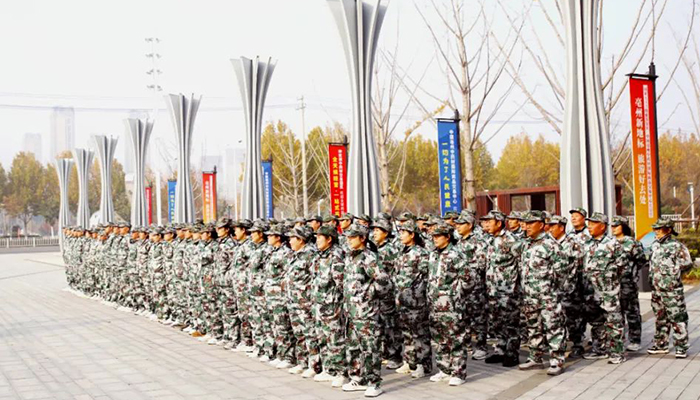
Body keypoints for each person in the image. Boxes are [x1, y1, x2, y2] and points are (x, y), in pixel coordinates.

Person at [341, 223, 390, 397]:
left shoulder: (369, 257)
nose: (349, 240)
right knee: (353, 347)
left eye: (353, 237)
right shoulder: (350, 257)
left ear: (362, 238)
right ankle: (358, 378)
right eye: (348, 237)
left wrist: (368, 294)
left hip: (367, 312)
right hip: (352, 311)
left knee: (370, 348)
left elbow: (384, 281)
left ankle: (374, 382)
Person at [518, 211, 566, 376]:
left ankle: (557, 360)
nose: (527, 227)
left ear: (541, 225)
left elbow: (562, 272)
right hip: (530, 296)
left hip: (547, 296)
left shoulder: (550, 245)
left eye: (531, 223)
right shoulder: (526, 244)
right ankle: (535, 358)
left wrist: (552, 290)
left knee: (553, 328)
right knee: (533, 328)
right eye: (526, 223)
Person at [427, 222, 469, 386]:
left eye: (438, 236)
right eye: (434, 236)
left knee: (455, 337)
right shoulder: (433, 254)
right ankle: (444, 369)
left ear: (448, 237)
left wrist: (455, 294)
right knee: (439, 338)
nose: (435, 239)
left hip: (451, 304)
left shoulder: (456, 254)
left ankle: (458, 372)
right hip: (434, 304)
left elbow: (468, 279)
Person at [581, 212, 626, 364]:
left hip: (608, 290)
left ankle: (616, 352)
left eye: (593, 224)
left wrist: (610, 280)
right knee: (596, 321)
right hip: (591, 290)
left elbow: (623, 266)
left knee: (613, 321)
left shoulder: (613, 244)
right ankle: (599, 349)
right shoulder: (586, 244)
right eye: (589, 224)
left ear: (602, 226)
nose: (589, 227)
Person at [647, 217, 693, 358]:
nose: (656, 231)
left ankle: (681, 346)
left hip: (672, 289)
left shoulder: (677, 246)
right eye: (655, 229)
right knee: (660, 317)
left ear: (668, 230)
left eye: (659, 229)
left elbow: (687, 263)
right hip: (656, 288)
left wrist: (673, 271)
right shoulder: (654, 245)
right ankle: (661, 344)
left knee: (677, 317)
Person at [483, 210, 522, 367]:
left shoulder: (511, 240)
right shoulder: (490, 240)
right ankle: (500, 349)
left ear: (499, 223)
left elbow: (521, 262)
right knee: (497, 321)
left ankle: (512, 353)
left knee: (510, 322)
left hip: (508, 289)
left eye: (489, 221)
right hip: (493, 288)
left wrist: (517, 286)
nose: (486, 225)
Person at [393, 220, 432, 379]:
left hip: (416, 300)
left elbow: (425, 277)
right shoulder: (402, 252)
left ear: (412, 235)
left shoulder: (420, 253)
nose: (401, 235)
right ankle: (410, 362)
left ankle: (423, 364)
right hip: (403, 299)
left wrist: (418, 296)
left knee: (419, 333)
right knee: (407, 332)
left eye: (404, 232)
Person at [310, 225, 348, 387]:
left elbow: (341, 283)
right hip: (320, 304)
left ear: (329, 239)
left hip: (332, 305)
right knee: (323, 337)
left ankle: (341, 372)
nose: (317, 240)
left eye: (320, 237)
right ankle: (328, 369)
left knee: (335, 339)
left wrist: (341, 305)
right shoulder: (320, 255)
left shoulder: (336, 256)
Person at [546, 215, 585, 358]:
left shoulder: (573, 243)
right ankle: (557, 346)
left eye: (553, 226)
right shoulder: (548, 243)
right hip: (552, 288)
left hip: (570, 288)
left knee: (573, 318)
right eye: (549, 226)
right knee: (555, 319)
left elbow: (580, 264)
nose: (550, 229)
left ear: (561, 227)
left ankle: (577, 344)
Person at [285, 226, 319, 377]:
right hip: (294, 301)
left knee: (310, 334)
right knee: (299, 333)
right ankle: (302, 362)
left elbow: (315, 277)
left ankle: (314, 365)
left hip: (305, 302)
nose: (290, 241)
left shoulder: (310, 254)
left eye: (292, 238)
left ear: (301, 239)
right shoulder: (296, 254)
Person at [454, 210, 488, 361]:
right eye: (457, 224)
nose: (458, 226)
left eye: (461, 224)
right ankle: (467, 343)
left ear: (469, 225)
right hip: (461, 286)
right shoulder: (459, 242)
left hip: (475, 285)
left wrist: (466, 269)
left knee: (478, 316)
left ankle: (481, 346)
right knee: (464, 315)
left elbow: (481, 263)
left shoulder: (478, 242)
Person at [370, 219, 403, 370]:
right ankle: (386, 353)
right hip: (377, 293)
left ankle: (395, 356)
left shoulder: (389, 250)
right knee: (381, 324)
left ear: (386, 232)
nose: (374, 233)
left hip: (388, 292)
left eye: (378, 230)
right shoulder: (375, 248)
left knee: (390, 325)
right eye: (374, 230)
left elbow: (394, 272)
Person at [610, 216, 646, 352]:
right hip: (613, 284)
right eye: (612, 226)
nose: (613, 228)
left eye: (616, 226)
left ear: (623, 227)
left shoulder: (632, 243)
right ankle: (618, 339)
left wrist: (631, 272)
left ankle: (635, 339)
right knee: (615, 312)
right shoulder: (610, 242)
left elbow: (641, 260)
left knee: (632, 312)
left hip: (628, 283)